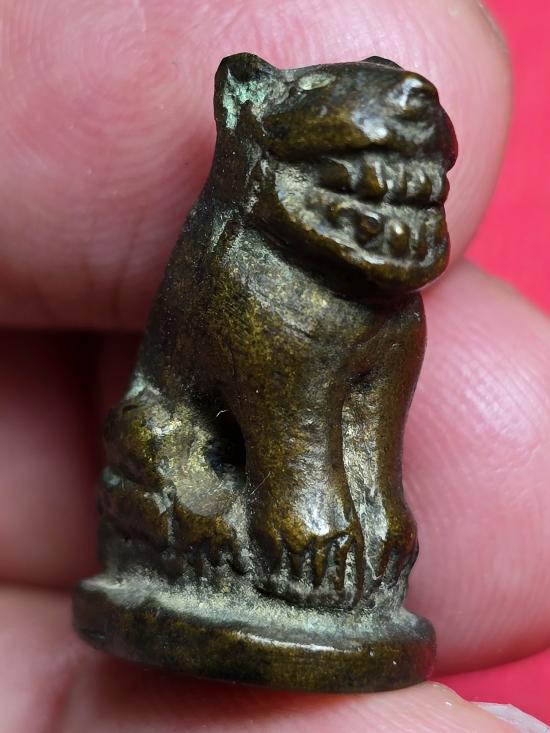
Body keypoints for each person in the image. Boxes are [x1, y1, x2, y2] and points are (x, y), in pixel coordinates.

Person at [1, 0, 549, 730]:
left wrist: (381, 519)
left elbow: (367, 432)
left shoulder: (388, 309)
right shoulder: (253, 279)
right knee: (248, 478)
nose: (413, 98)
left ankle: (349, 562)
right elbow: (291, 438)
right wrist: (303, 516)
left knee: (370, 500)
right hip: (192, 459)